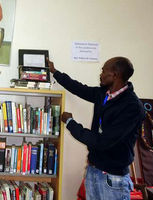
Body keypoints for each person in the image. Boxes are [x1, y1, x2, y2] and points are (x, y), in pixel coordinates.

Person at [48, 57, 145, 200]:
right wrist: (55, 72)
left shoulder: (132, 107)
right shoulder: (104, 93)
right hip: (93, 170)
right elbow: (79, 88)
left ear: (115, 75)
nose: (100, 74)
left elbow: (102, 141)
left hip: (113, 179)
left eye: (103, 71)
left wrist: (70, 123)